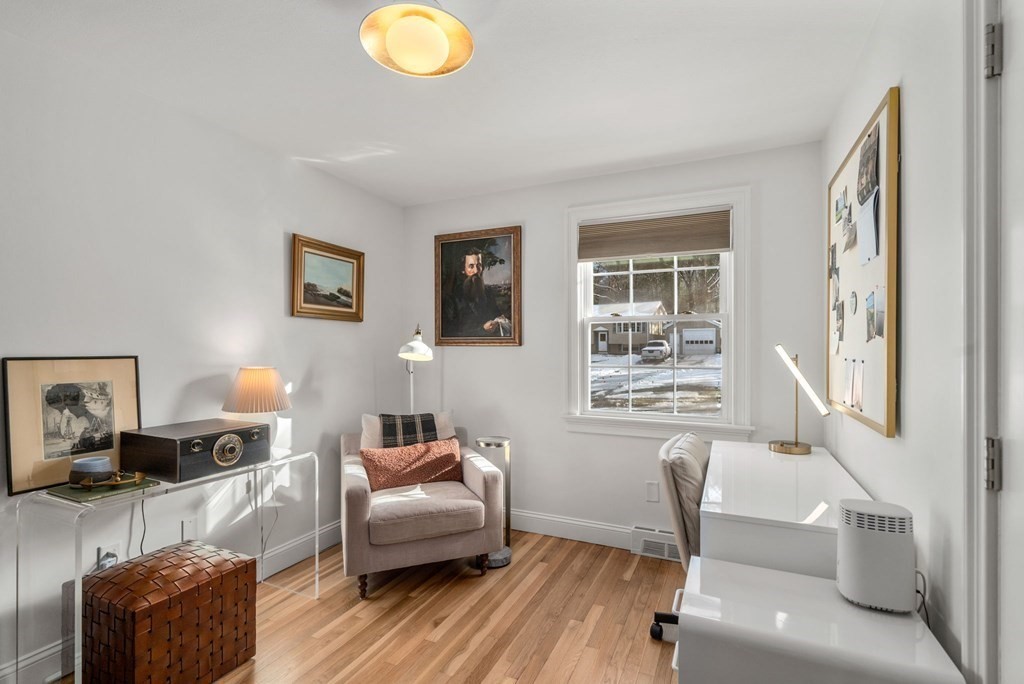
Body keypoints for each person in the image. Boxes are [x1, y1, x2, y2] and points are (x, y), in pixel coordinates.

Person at [442, 248, 509, 337]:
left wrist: (500, 320)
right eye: (471, 266)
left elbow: (496, 314)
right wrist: (482, 329)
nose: (476, 271)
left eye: (479, 265)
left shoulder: (488, 292)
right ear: (463, 269)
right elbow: (451, 333)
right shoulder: (453, 298)